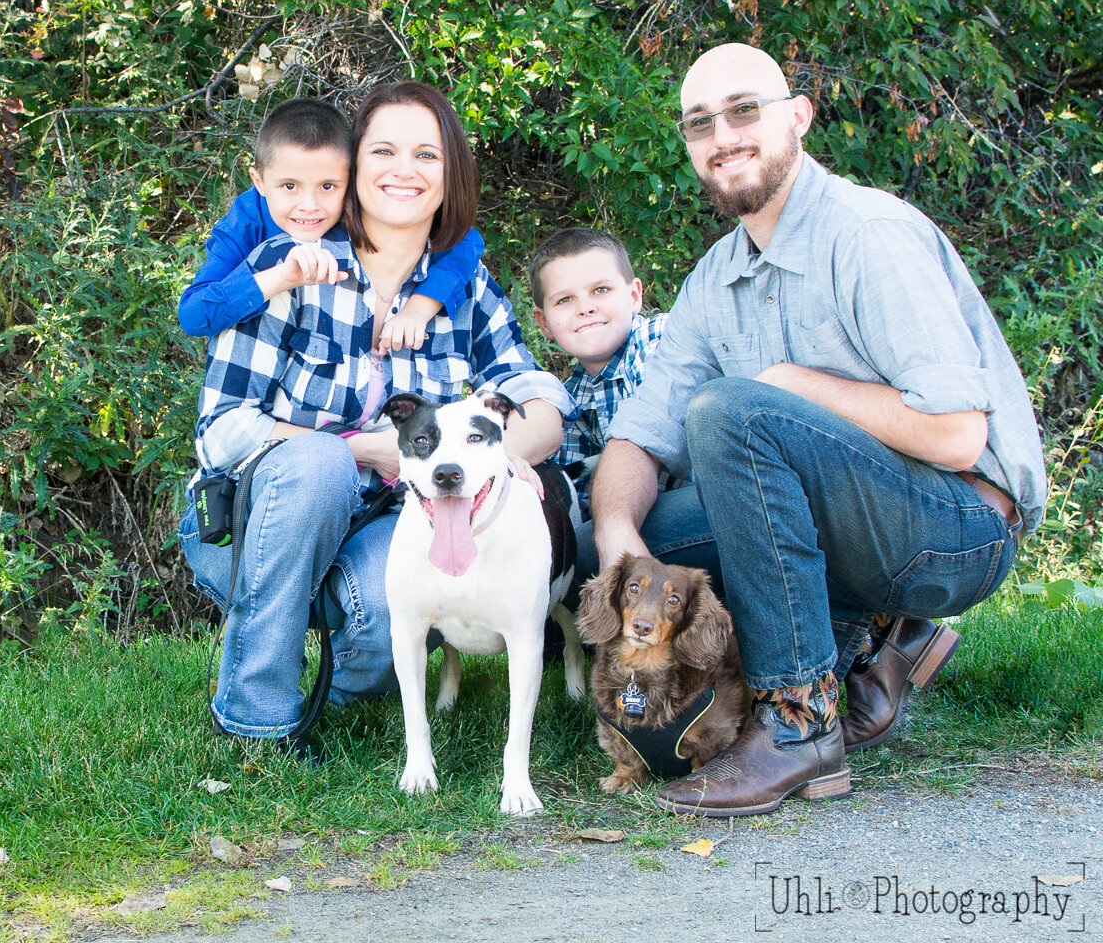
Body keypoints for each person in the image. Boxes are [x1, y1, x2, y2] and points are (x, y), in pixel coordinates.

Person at [590, 42, 1047, 817]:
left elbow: (958, 438)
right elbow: (640, 435)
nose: (723, 134)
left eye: (744, 110)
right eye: (701, 122)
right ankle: (866, 643)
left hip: (958, 526)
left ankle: (800, 725)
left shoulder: (868, 235)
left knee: (732, 414)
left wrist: (794, 386)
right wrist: (615, 537)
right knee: (643, 522)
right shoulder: (715, 280)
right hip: (852, 523)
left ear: (797, 116)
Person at [178, 81, 573, 757]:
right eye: (384, 150)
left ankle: (328, 676)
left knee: (383, 618)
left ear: (451, 174)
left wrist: (506, 454)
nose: (404, 170)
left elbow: (540, 402)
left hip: (395, 522)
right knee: (319, 461)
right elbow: (223, 429)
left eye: (427, 154)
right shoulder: (290, 264)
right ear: (354, 168)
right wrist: (362, 449)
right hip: (263, 521)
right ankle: (257, 721)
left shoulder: (464, 286)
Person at [177, 97, 485, 354]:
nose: (309, 205)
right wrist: (282, 275)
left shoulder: (357, 202)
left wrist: (419, 309)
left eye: (327, 186)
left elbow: (466, 242)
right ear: (259, 181)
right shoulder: (248, 218)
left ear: (351, 177)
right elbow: (194, 316)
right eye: (288, 186)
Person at [527, 227, 667, 517]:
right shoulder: (572, 398)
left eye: (600, 290)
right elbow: (575, 494)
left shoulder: (658, 340)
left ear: (634, 296)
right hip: (642, 518)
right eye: (565, 300)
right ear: (544, 322)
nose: (586, 308)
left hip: (710, 503)